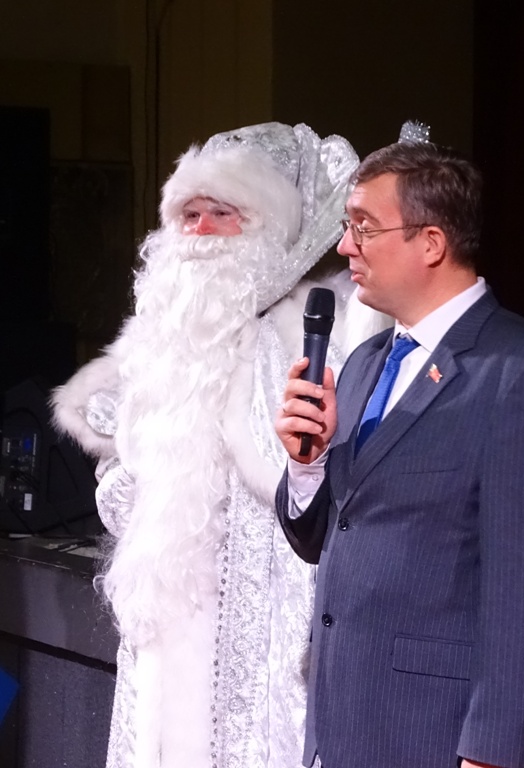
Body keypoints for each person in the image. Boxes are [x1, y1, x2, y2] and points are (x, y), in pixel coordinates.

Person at [51, 121, 391, 768]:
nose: (201, 232)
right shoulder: (158, 349)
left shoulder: (313, 336)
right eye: (190, 215)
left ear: (269, 228)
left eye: (223, 214)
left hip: (270, 635)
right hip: (170, 640)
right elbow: (120, 494)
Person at [274, 139, 524, 768]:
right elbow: (329, 538)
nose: (345, 247)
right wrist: (307, 463)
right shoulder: (364, 364)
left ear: (431, 243)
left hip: (439, 740)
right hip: (344, 734)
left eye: (364, 227)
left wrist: (492, 754)